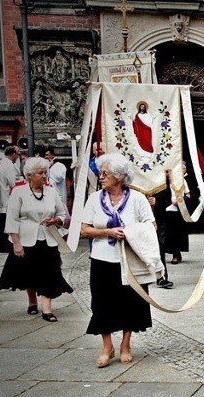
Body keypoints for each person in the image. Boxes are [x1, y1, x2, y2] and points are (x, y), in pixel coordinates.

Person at [80, 153, 155, 367]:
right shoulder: (95, 199)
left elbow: (152, 225)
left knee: (130, 302)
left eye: (105, 173)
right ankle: (107, 347)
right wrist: (108, 232)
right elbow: (85, 229)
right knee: (102, 303)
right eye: (100, 173)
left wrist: (129, 232)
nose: (101, 177)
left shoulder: (138, 199)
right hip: (102, 259)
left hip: (129, 260)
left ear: (119, 177)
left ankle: (125, 344)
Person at [0, 157, 72, 320]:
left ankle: (47, 310)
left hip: (48, 238)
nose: (44, 176)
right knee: (29, 273)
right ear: (29, 175)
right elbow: (12, 219)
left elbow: (61, 213)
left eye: (45, 172)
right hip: (26, 239)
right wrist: (16, 243)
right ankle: (32, 302)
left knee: (49, 273)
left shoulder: (51, 191)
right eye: (40, 173)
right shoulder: (19, 192)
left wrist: (56, 220)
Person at [0, 145, 24, 254]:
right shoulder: (8, 165)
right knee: (6, 223)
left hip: (0, 197)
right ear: (13, 154)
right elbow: (13, 182)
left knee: (0, 222)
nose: (18, 155)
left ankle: (0, 245)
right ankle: (5, 245)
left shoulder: (2, 163)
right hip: (6, 198)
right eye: (17, 153)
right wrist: (23, 180)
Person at [164, 162, 191, 265]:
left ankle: (176, 254)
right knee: (168, 234)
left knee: (176, 233)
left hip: (178, 210)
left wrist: (180, 201)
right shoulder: (163, 183)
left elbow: (188, 194)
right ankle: (173, 252)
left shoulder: (181, 181)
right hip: (166, 209)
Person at [45, 146, 68, 211]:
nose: (46, 157)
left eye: (47, 155)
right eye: (45, 155)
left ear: (52, 155)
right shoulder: (45, 166)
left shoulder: (59, 165)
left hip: (58, 193)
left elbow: (58, 178)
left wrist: (50, 167)